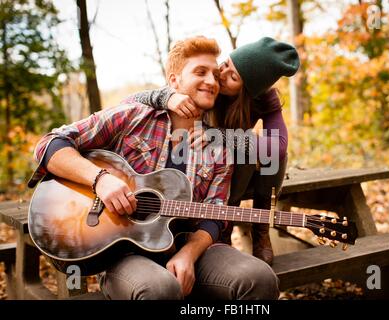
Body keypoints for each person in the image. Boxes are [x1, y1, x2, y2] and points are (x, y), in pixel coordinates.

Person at [27, 36, 280, 300]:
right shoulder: (133, 116)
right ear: (174, 81)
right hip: (123, 251)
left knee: (261, 280)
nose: (211, 82)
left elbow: (215, 215)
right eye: (200, 72)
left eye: (215, 75)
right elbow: (49, 145)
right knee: (160, 289)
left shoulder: (218, 146)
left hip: (192, 246)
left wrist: (188, 254)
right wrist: (100, 179)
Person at [125, 37, 300, 265]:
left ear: (250, 90)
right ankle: (224, 228)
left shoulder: (264, 98)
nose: (221, 75)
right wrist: (167, 97)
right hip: (211, 167)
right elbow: (129, 101)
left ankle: (261, 229)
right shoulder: (206, 82)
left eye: (233, 76)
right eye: (226, 64)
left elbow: (278, 147)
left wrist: (221, 136)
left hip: (241, 170)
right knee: (243, 149)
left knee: (265, 154)